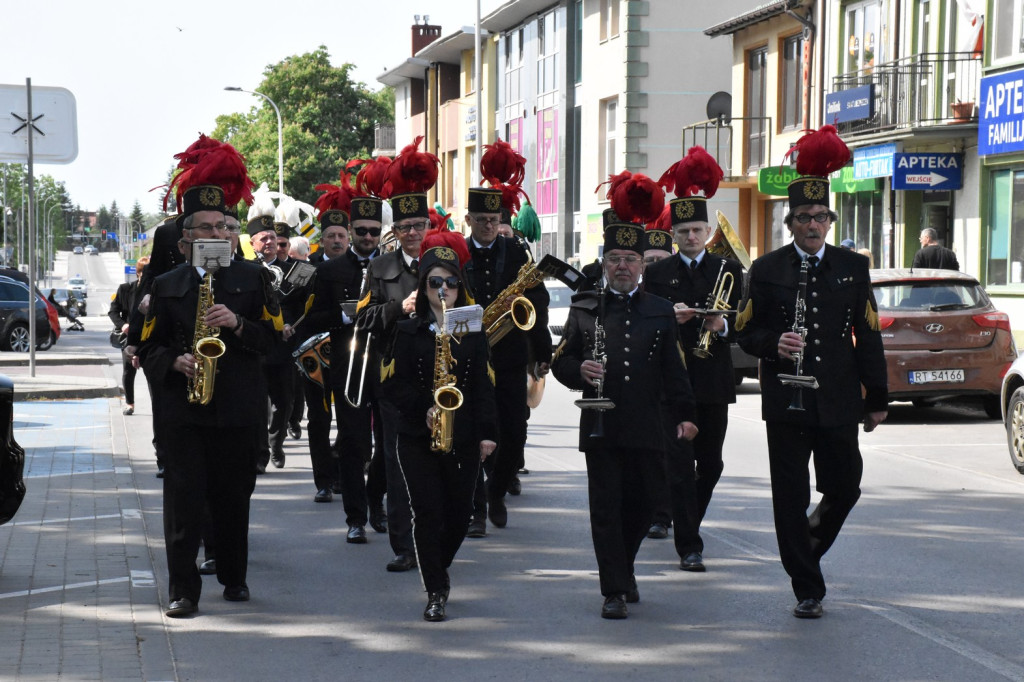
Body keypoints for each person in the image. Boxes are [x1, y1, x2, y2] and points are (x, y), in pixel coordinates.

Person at [736, 125, 888, 619]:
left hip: (839, 396)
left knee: (845, 486)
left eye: (821, 216)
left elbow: (867, 334)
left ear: (830, 220)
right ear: (790, 222)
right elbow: (745, 333)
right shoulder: (766, 269)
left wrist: (878, 398)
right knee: (790, 493)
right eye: (803, 217)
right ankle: (807, 584)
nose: (812, 225)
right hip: (785, 399)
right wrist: (773, 344)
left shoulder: (851, 267)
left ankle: (808, 544)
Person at [139, 136, 280, 619]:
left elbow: (274, 340)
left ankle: (234, 576)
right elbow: (147, 345)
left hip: (238, 407)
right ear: (185, 242)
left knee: (232, 497)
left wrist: (238, 325)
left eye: (223, 226)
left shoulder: (253, 278)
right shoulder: (167, 285)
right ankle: (183, 591)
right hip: (184, 410)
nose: (216, 233)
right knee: (182, 500)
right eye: (205, 228)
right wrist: (172, 363)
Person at [551, 216, 697, 620]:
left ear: (642, 266)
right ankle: (613, 588)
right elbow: (560, 362)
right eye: (614, 258)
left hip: (649, 423)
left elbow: (675, 369)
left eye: (630, 259)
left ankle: (625, 566)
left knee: (647, 502)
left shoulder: (661, 310)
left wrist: (686, 415)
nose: (622, 266)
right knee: (606, 508)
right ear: (604, 263)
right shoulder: (585, 308)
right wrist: (578, 370)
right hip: (601, 424)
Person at [382, 229, 497, 621]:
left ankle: (437, 565)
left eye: (450, 281)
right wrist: (424, 410)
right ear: (424, 285)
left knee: (460, 513)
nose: (443, 288)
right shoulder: (406, 330)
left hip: (462, 433)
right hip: (417, 434)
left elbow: (483, 384)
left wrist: (486, 433)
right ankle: (436, 588)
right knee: (427, 512)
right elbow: (391, 385)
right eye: (435, 281)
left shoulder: (472, 328)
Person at [643, 146, 742, 573]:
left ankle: (689, 520)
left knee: (712, 462)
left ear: (706, 230)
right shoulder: (659, 274)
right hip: (674, 380)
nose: (692, 237)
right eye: (684, 232)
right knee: (680, 464)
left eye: (698, 230)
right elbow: (648, 321)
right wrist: (673, 317)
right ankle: (689, 543)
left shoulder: (729, 270)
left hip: (715, 378)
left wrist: (723, 327)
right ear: (675, 234)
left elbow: (743, 319)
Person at [357, 139, 437, 573]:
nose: (412, 232)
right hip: (393, 378)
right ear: (396, 230)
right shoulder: (380, 268)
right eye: (405, 226)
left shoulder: (443, 259)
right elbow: (364, 319)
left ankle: (438, 535)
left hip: (439, 374)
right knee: (398, 461)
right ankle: (405, 546)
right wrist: (396, 308)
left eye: (419, 224)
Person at [463, 183, 551, 535]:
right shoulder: (456, 252)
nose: (487, 225)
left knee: (514, 433)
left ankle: (495, 490)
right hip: (468, 356)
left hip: (510, 356)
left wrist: (542, 353)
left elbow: (538, 305)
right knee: (472, 435)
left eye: (493, 219)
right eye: (481, 219)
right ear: (468, 219)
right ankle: (476, 510)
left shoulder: (517, 253)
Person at [302, 180, 384, 543]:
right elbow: (313, 319)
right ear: (351, 232)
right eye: (362, 231)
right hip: (348, 367)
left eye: (374, 232)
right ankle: (355, 517)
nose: (368, 237)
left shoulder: (391, 267)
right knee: (353, 443)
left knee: (390, 442)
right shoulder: (329, 271)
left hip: (386, 366)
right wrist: (343, 316)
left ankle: (376, 499)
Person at [109, 256, 150, 415]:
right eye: (144, 273)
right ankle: (130, 403)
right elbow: (113, 311)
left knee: (151, 370)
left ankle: (156, 404)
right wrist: (123, 325)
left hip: (148, 337)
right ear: (138, 273)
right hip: (129, 335)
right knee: (128, 371)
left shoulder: (155, 290)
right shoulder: (125, 289)